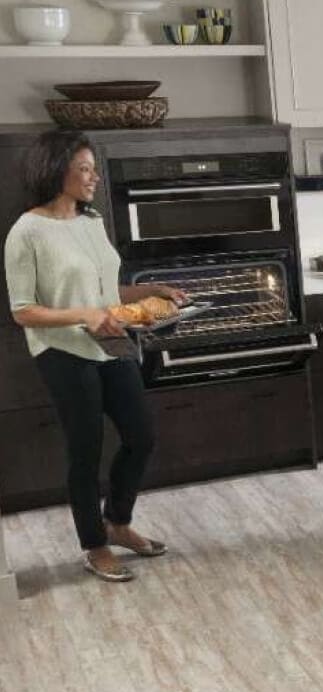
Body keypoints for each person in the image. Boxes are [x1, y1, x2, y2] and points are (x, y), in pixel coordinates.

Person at [4, 130, 182, 582]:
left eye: (92, 168)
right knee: (85, 450)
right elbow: (23, 311)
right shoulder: (27, 232)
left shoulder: (91, 220)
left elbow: (104, 292)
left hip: (112, 343)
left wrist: (150, 290)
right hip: (64, 352)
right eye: (82, 169)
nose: (93, 178)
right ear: (54, 171)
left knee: (141, 435)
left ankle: (118, 523)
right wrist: (83, 315)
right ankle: (95, 545)